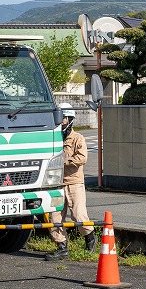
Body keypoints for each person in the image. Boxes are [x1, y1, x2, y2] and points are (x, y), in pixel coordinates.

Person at [46, 103, 94, 260]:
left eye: (64, 118)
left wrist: (63, 161)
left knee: (78, 215)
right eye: (60, 118)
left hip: (74, 182)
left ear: (71, 119)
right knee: (54, 217)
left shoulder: (78, 138)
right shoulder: (53, 137)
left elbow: (82, 157)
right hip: (56, 183)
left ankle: (90, 242)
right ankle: (62, 247)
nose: (61, 121)